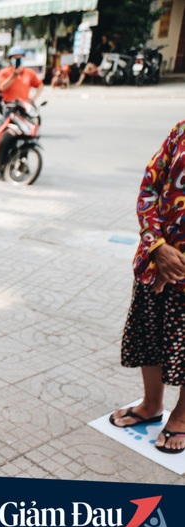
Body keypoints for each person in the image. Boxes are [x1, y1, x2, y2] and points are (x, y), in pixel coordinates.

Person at [109, 121, 185, 453]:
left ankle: (182, 418)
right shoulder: (181, 130)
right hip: (155, 262)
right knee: (146, 334)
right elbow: (149, 187)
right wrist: (157, 246)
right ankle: (151, 405)